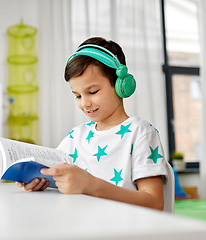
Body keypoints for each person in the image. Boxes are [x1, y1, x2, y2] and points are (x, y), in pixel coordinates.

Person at [16, 37, 167, 210]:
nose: (84, 103)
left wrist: (91, 185)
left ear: (120, 85)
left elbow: (154, 202)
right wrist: (39, 181)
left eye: (93, 92)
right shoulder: (75, 136)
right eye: (78, 96)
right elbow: (57, 176)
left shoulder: (140, 132)